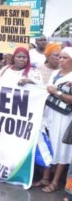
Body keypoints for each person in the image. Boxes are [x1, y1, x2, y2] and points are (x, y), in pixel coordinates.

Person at [36, 47, 72, 193]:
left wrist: (56, 92)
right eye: (60, 57)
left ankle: (56, 181)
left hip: (64, 117)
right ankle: (45, 177)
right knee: (49, 144)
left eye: (64, 58)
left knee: (61, 148)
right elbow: (45, 89)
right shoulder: (56, 73)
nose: (60, 60)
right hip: (50, 114)